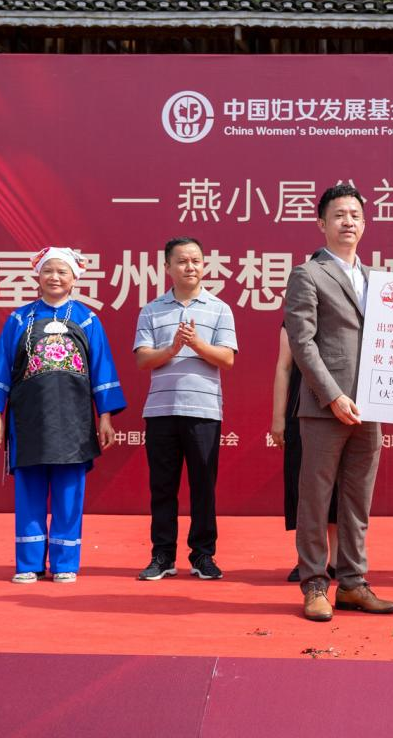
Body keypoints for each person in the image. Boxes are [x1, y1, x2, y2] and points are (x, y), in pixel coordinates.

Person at [0, 247, 126, 584]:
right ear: (38, 276)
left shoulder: (87, 319)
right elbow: (0, 368)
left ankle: (65, 563)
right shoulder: (19, 319)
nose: (54, 277)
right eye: (48, 271)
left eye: (62, 272)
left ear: (74, 279)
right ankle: (28, 563)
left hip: (74, 421)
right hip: (28, 420)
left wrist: (105, 416)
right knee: (29, 490)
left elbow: (102, 370)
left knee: (69, 493)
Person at [284, 183, 393, 622]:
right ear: (322, 223)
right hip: (324, 407)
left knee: (356, 500)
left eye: (355, 215)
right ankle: (315, 583)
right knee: (315, 499)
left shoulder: (378, 281)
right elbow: (303, 343)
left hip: (370, 406)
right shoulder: (307, 274)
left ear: (364, 224)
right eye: (339, 215)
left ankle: (352, 583)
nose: (348, 222)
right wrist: (332, 395)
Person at [134, 237, 238, 581]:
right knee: (162, 486)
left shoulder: (219, 308)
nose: (189, 267)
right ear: (167, 267)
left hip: (204, 410)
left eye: (195, 260)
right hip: (161, 410)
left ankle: (203, 554)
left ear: (204, 265)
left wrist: (196, 344)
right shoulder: (151, 310)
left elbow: (227, 358)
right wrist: (173, 348)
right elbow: (143, 360)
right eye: (181, 261)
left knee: (203, 486)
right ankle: (162, 555)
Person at [271, 321, 339, 583]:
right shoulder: (296, 316)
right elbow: (284, 366)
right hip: (301, 411)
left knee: (340, 486)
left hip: (344, 407)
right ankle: (310, 560)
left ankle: (338, 561)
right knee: (305, 487)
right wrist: (278, 417)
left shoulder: (353, 311)